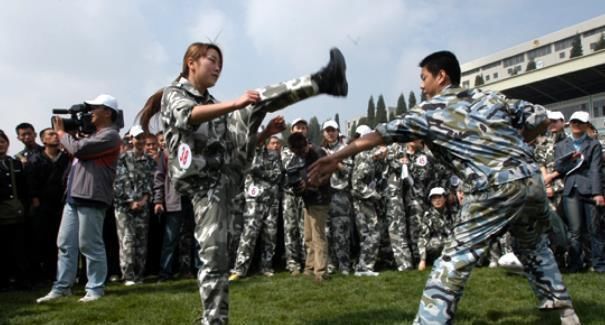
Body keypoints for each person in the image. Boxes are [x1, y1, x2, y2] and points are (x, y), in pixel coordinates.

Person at [309, 50, 579, 324]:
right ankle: (566, 315)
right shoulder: (488, 96)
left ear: (441, 76)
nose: (420, 85)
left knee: (454, 260)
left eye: (424, 78)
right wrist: (513, 148)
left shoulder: (430, 111)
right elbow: (541, 118)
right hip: (530, 180)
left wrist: (334, 157)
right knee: (534, 248)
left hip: (492, 186)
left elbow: (379, 136)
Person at [136, 42, 347, 324]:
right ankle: (214, 319)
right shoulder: (175, 94)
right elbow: (188, 115)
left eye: (220, 62)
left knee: (257, 99)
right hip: (205, 186)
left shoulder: (212, 104)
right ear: (191, 62)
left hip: (229, 174)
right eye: (212, 60)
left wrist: (263, 133)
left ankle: (324, 80)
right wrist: (235, 104)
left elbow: (233, 143)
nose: (218, 67)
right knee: (215, 256)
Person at [37, 94, 122, 303]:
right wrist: (72, 134)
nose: (89, 113)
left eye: (94, 108)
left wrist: (61, 132)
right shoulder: (92, 135)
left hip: (92, 195)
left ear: (107, 112)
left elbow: (78, 150)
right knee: (65, 243)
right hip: (74, 195)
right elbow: (76, 148)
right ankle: (62, 286)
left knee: (89, 244)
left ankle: (95, 288)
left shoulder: (111, 135)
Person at [552, 111, 605, 273]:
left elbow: (596, 169)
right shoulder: (561, 146)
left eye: (580, 122)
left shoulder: (594, 144)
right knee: (574, 231)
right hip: (570, 190)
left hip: (589, 190)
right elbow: (559, 169)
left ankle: (599, 265)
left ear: (586, 125)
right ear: (570, 123)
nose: (576, 125)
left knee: (594, 229)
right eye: (574, 122)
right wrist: (570, 160)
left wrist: (598, 193)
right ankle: (575, 265)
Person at [229, 131, 284, 281]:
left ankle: (266, 267)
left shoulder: (273, 155)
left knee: (270, 235)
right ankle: (240, 269)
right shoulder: (247, 155)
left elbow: (277, 176)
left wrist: (259, 172)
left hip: (271, 201)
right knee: (248, 235)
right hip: (253, 201)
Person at [113, 125, 156, 285]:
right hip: (124, 207)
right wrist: (131, 201)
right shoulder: (122, 159)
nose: (140, 141)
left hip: (142, 206)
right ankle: (128, 275)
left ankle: (139, 275)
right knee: (127, 240)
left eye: (142, 138)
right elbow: (119, 182)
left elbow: (150, 183)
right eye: (137, 138)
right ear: (131, 139)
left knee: (141, 241)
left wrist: (143, 200)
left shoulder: (149, 161)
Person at [286, 132, 331, 282]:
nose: (301, 153)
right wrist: (296, 186)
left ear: (307, 143)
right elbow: (292, 174)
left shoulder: (318, 152)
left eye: (302, 149)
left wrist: (315, 182)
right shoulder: (296, 157)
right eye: (296, 151)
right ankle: (310, 267)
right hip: (307, 200)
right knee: (308, 236)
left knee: (318, 236)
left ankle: (321, 271)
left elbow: (330, 170)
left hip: (320, 198)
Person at [28, 128, 70, 281]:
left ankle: (61, 273)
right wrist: (35, 200)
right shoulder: (36, 159)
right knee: (43, 240)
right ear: (43, 140)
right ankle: (43, 274)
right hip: (43, 205)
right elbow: (31, 183)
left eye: (55, 134)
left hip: (63, 204)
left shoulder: (66, 158)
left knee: (62, 240)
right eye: (50, 135)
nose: (54, 137)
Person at [321, 120, 354, 275]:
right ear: (323, 133)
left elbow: (349, 171)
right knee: (326, 232)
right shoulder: (319, 150)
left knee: (341, 232)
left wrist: (335, 162)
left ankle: (345, 265)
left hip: (340, 195)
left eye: (333, 130)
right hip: (325, 196)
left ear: (337, 132)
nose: (330, 133)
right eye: (327, 130)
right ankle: (330, 264)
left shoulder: (345, 149)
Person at [0, 129, 30, 290]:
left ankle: (21, 279)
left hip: (16, 212)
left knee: (19, 247)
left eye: (3, 141)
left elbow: (24, 187)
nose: (1, 145)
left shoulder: (15, 163)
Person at [350, 124, 381, 277]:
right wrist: (374, 195)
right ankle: (364, 267)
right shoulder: (363, 155)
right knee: (372, 233)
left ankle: (362, 266)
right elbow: (357, 184)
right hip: (362, 202)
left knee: (366, 234)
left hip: (363, 201)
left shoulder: (364, 154)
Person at [281, 118, 309, 275]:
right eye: (297, 127)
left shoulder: (311, 150)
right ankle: (293, 263)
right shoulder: (285, 151)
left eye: (303, 128)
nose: (300, 130)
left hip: (306, 195)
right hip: (289, 195)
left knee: (306, 230)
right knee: (290, 229)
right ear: (292, 130)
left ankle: (308, 262)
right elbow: (288, 166)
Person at [417, 187, 454, 271]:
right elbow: (422, 237)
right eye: (434, 198)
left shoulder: (452, 212)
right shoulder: (428, 216)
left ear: (445, 198)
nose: (437, 200)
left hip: (451, 242)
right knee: (436, 243)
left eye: (439, 197)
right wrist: (422, 260)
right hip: (438, 244)